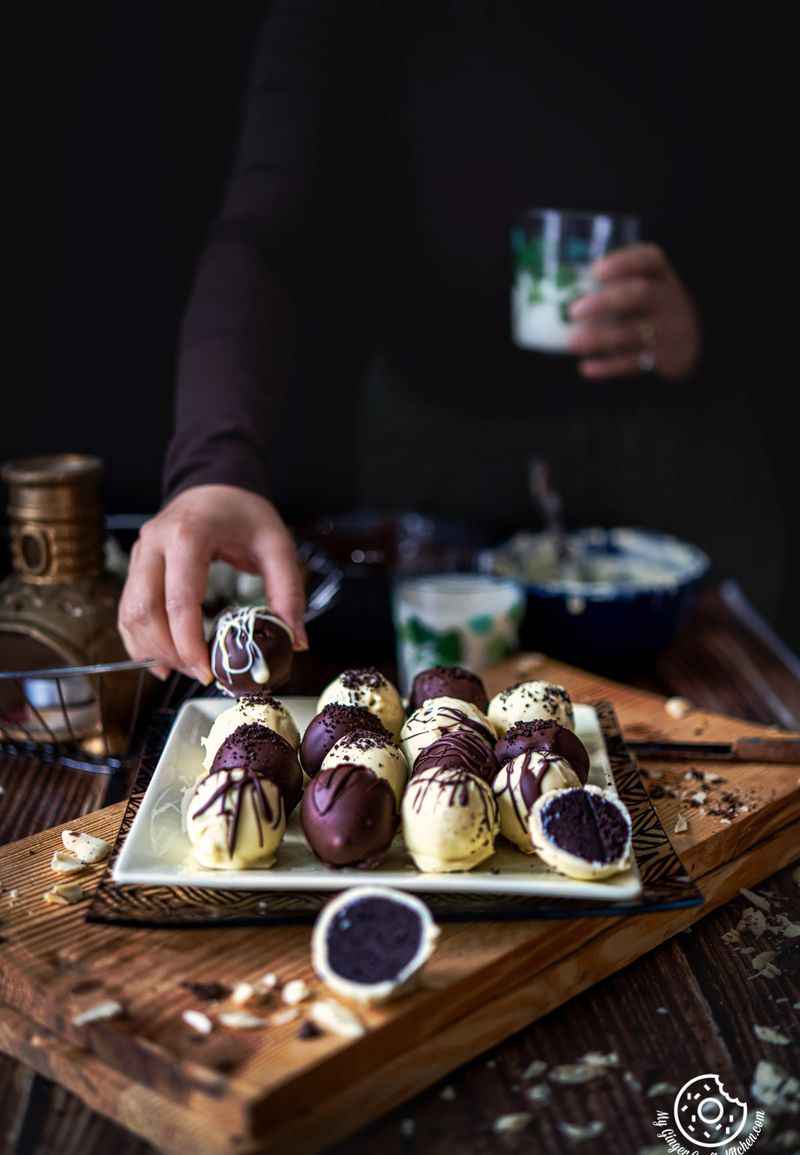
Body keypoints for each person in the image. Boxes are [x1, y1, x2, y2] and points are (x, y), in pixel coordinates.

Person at [119, 1, 785, 681]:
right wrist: (215, 467)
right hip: (439, 474)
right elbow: (266, 237)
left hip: (687, 473)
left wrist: (709, 326)